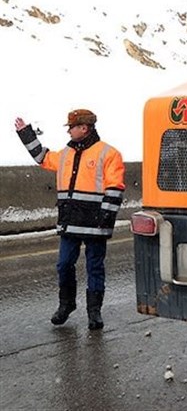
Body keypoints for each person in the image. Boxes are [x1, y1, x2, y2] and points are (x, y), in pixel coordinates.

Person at [14, 109, 125, 330]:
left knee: (95, 268)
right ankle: (66, 305)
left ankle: (94, 312)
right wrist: (26, 134)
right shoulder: (65, 154)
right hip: (70, 221)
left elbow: (115, 187)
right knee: (64, 265)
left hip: (95, 224)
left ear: (84, 128)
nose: (69, 130)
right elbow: (42, 157)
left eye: (71, 127)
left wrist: (106, 216)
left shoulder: (108, 153)